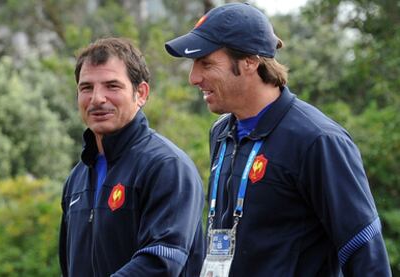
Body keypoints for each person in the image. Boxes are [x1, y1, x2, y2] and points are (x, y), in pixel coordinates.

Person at [165, 3, 391, 276]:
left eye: (206, 63)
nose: (193, 77)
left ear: (250, 61)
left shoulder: (317, 140)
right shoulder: (222, 132)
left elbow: (364, 252)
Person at [59, 37, 205, 276]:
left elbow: (162, 263)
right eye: (86, 88)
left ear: (141, 93)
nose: (97, 98)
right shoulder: (77, 179)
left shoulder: (167, 167)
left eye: (112, 86)